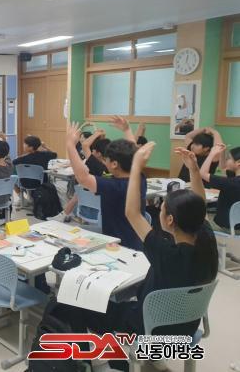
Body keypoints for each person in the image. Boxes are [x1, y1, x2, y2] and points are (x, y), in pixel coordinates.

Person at [47, 142, 218, 372]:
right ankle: (150, 358)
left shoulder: (165, 252)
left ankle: (94, 362)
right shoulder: (206, 241)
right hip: (186, 326)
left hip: (149, 328)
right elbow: (200, 206)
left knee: (71, 302)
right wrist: (194, 171)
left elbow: (132, 213)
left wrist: (137, 166)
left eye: (162, 210)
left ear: (170, 220)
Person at [66, 121, 146, 250]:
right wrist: (127, 130)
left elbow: (82, 178)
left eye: (106, 159)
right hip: (136, 241)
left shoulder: (114, 186)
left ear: (114, 164)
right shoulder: (140, 178)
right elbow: (135, 157)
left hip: (120, 245)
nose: (104, 161)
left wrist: (70, 144)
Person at [200, 144, 240, 234]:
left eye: (229, 158)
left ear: (238, 162)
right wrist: (222, 153)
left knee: (198, 220)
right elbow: (224, 168)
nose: (227, 160)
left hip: (227, 229)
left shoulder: (230, 183)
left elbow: (202, 173)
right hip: (237, 226)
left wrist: (211, 154)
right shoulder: (233, 181)